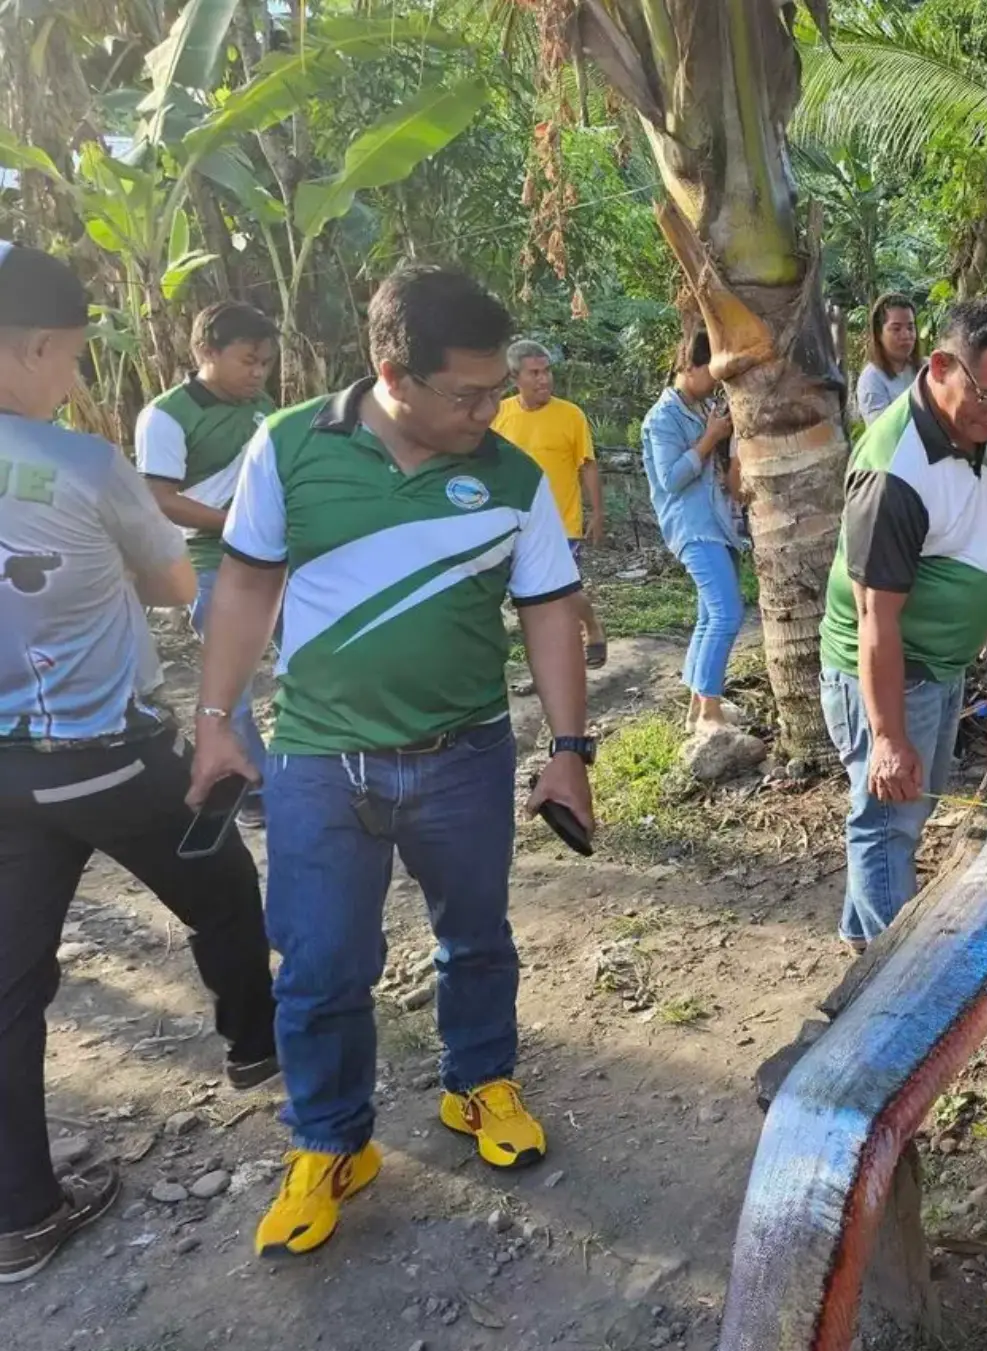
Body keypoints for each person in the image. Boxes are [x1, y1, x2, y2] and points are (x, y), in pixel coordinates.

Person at [188, 265, 595, 1259]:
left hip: (463, 757)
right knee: (321, 967)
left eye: (497, 387)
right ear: (391, 375)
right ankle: (331, 1143)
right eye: (466, 393)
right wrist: (212, 719)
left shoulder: (508, 475)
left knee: (478, 939)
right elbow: (244, 587)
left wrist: (570, 749)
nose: (490, 408)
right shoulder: (290, 448)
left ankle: (477, 1087)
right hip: (321, 764)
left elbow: (548, 610)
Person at [0, 244, 276, 1283]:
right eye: (68, 360)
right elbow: (171, 585)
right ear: (34, 347)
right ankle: (256, 1044)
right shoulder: (81, 461)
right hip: (108, 756)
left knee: (9, 986)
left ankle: (20, 1215)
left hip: (3, 780)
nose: (72, 380)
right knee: (223, 891)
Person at [817, 299, 987, 951]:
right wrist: (885, 735)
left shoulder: (972, 428)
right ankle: (895, 985)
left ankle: (860, 945)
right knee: (888, 820)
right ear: (941, 367)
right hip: (891, 673)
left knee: (915, 805)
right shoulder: (893, 472)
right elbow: (873, 616)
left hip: (936, 667)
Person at [135, 302, 279, 827]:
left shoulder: (260, 403)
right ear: (205, 352)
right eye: (248, 360)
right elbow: (159, 497)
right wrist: (236, 525)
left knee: (307, 662)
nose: (259, 372)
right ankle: (254, 791)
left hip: (277, 558)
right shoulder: (167, 416)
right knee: (230, 686)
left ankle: (307, 775)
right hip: (212, 560)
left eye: (265, 361)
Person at [641, 331, 747, 730]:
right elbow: (671, 478)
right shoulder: (663, 417)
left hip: (718, 522)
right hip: (693, 526)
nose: (716, 380)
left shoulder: (703, 407)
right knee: (727, 612)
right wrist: (710, 439)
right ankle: (710, 711)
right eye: (710, 371)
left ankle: (698, 706)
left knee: (708, 615)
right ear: (690, 365)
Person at [493, 340, 608, 670]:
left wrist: (597, 512)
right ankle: (547, 669)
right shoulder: (499, 415)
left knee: (565, 595)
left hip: (562, 524)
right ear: (516, 377)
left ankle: (591, 625)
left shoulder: (571, 415)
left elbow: (587, 465)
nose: (544, 379)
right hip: (512, 525)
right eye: (535, 373)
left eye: (547, 371)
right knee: (531, 603)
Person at [856, 293, 919, 425]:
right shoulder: (872, 378)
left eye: (910, 327)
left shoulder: (927, 368)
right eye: (896, 329)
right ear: (879, 333)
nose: (906, 335)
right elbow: (884, 431)